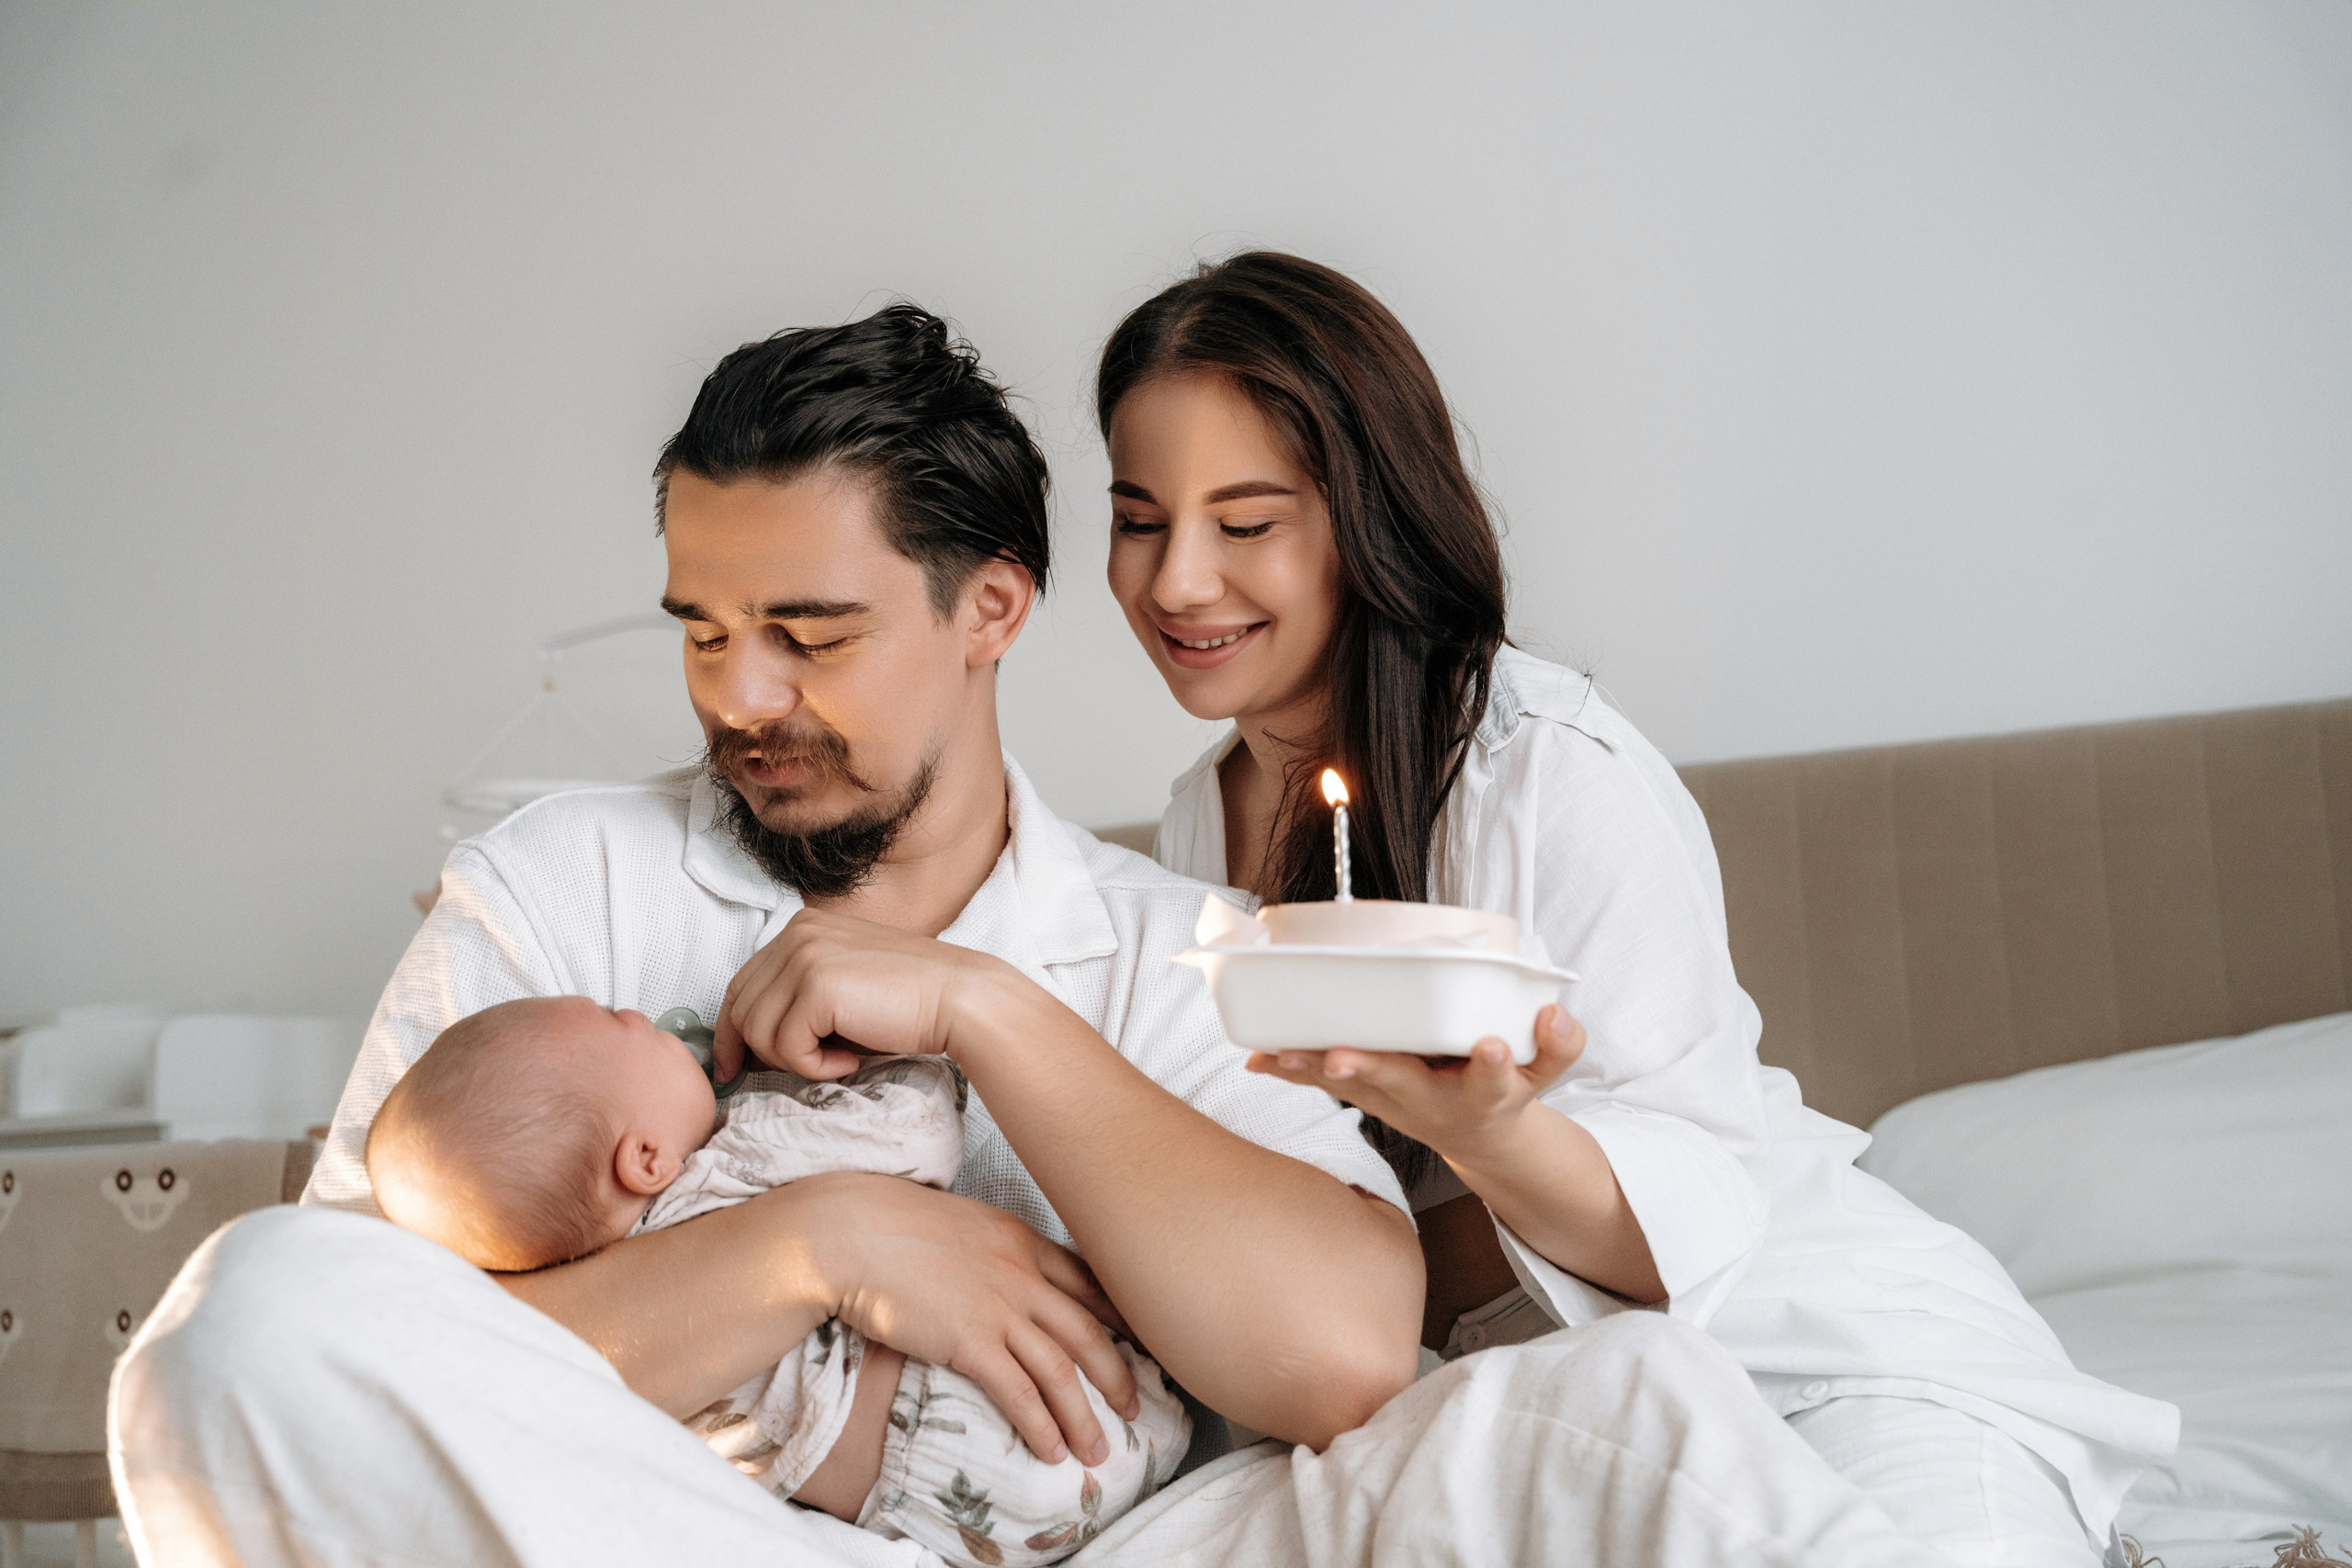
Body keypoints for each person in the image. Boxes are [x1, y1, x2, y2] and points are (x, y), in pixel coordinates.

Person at [109, 297, 1959, 1568]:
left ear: (988, 606)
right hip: (672, 1526)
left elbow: (1332, 1356)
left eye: (811, 632)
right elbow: (392, 1351)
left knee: (1606, 1408)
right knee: (246, 1316)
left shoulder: (1165, 935)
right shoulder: (566, 881)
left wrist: (987, 1008)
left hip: (1134, 1541)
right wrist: (824, 1241)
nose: (738, 691)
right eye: (699, 626)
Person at [1097, 252, 2177, 1568]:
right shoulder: (1195, 828)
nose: (1177, 582)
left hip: (1803, 1360)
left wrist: (1490, 1133)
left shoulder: (1550, 769)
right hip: (1529, 1415)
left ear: (1365, 514)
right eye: (1140, 517)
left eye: (1246, 521)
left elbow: (1699, 1206)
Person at [366, 996, 1188, 1566]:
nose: (654, 1018)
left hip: (938, 1518)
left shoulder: (617, 1293)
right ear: (645, 1156)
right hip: (1008, 1434)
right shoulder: (734, 1165)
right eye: (626, 1023)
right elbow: (916, 1133)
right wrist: (914, 1042)